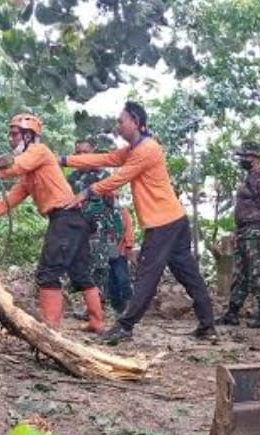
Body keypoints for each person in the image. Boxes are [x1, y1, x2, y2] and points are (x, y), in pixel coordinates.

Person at [62, 101, 216, 343]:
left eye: (121, 121)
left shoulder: (148, 149)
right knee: (188, 274)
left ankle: (125, 326)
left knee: (146, 275)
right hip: (173, 220)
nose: (118, 126)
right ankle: (208, 325)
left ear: (135, 122)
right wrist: (64, 160)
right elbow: (106, 158)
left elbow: (119, 178)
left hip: (164, 223)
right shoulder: (133, 149)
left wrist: (86, 192)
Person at [0, 114, 104, 333]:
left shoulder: (38, 152)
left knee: (48, 272)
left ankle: (50, 328)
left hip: (65, 218)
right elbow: (17, 194)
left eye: (15, 134)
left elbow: (15, 167)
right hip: (72, 219)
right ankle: (97, 323)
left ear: (28, 135)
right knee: (80, 273)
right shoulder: (30, 170)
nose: (10, 138)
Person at [217, 142, 260, 329]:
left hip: (256, 231)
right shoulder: (249, 178)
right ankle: (232, 313)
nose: (242, 160)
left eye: (245, 157)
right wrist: (236, 231)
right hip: (243, 231)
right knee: (240, 274)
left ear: (255, 158)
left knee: (259, 273)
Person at [67, 138, 122, 303]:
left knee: (99, 265)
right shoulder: (71, 178)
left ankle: (98, 303)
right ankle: (85, 303)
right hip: (76, 227)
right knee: (79, 263)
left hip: (99, 228)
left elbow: (114, 204)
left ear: (93, 154)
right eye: (78, 153)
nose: (82, 156)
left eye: (86, 152)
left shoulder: (103, 175)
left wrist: (117, 233)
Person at [108, 206, 135, 314]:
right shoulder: (100, 210)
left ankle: (129, 307)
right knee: (110, 282)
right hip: (105, 252)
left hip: (120, 251)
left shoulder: (122, 211)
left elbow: (128, 229)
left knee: (123, 279)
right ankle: (117, 308)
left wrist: (129, 245)